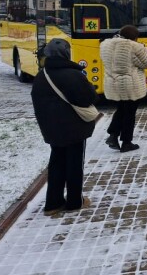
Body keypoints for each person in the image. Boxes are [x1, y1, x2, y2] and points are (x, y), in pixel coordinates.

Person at [31, 38, 98, 215]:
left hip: (51, 128)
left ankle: (53, 203)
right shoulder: (74, 74)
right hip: (74, 127)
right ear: (67, 53)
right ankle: (75, 201)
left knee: (56, 162)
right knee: (74, 163)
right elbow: (89, 97)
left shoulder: (41, 76)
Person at [101, 24, 147, 152]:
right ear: (134, 38)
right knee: (129, 113)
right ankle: (126, 142)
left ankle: (113, 135)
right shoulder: (133, 47)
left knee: (121, 109)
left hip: (113, 83)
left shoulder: (106, 45)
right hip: (129, 85)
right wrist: (145, 49)